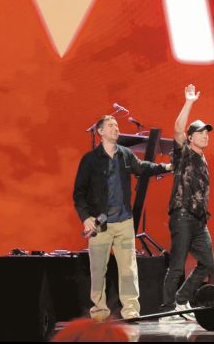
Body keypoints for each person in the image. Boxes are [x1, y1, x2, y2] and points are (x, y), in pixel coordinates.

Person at [73, 115, 172, 322]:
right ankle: (99, 312)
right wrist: (85, 218)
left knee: (128, 269)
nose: (116, 129)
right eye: (110, 126)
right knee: (98, 269)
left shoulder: (125, 155)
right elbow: (79, 193)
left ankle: (131, 311)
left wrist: (166, 167)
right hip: (100, 224)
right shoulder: (90, 160)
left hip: (124, 221)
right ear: (99, 132)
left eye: (117, 126)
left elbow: (144, 167)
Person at [160, 84, 214, 323]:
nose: (205, 135)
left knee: (208, 262)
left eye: (207, 132)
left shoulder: (203, 160)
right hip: (183, 216)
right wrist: (189, 102)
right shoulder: (184, 154)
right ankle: (167, 309)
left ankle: (182, 299)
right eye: (201, 132)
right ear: (191, 137)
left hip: (199, 220)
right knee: (177, 264)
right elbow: (177, 129)